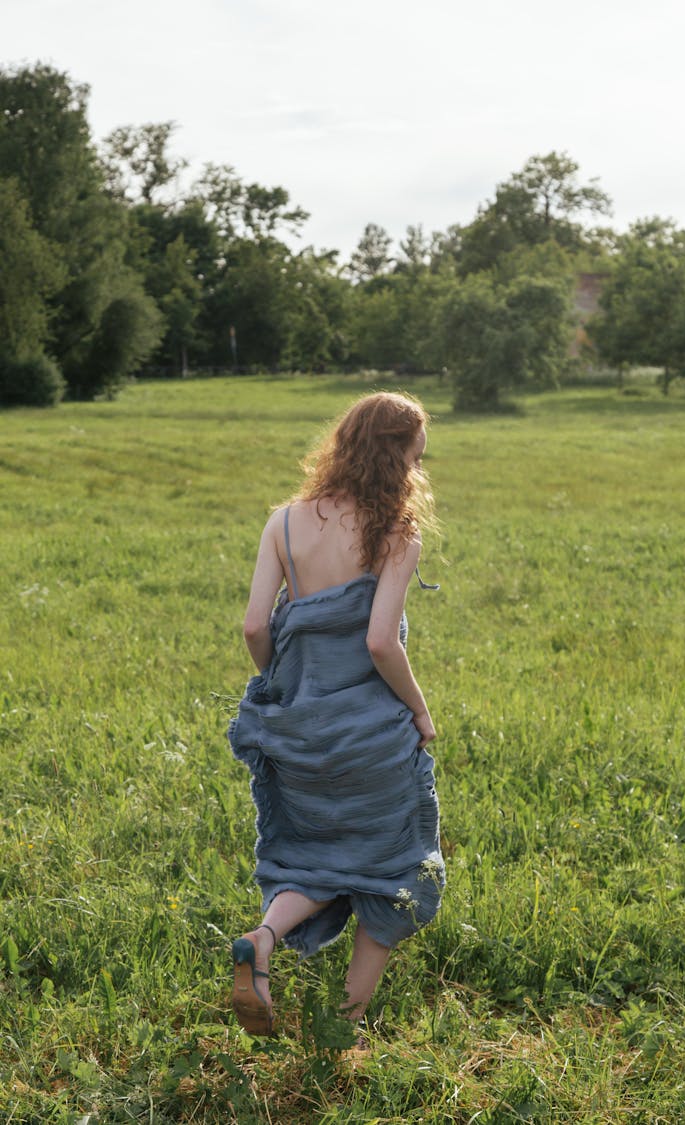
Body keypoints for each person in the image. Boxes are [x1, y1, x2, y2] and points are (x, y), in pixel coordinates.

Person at [227, 390, 445, 1037]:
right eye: (415, 456)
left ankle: (264, 937)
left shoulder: (284, 523)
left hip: (296, 728)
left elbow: (252, 625)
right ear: (394, 459)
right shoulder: (395, 534)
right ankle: (340, 1030)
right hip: (371, 737)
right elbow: (382, 640)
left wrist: (284, 686)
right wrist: (421, 711)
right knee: (392, 871)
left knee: (319, 859)